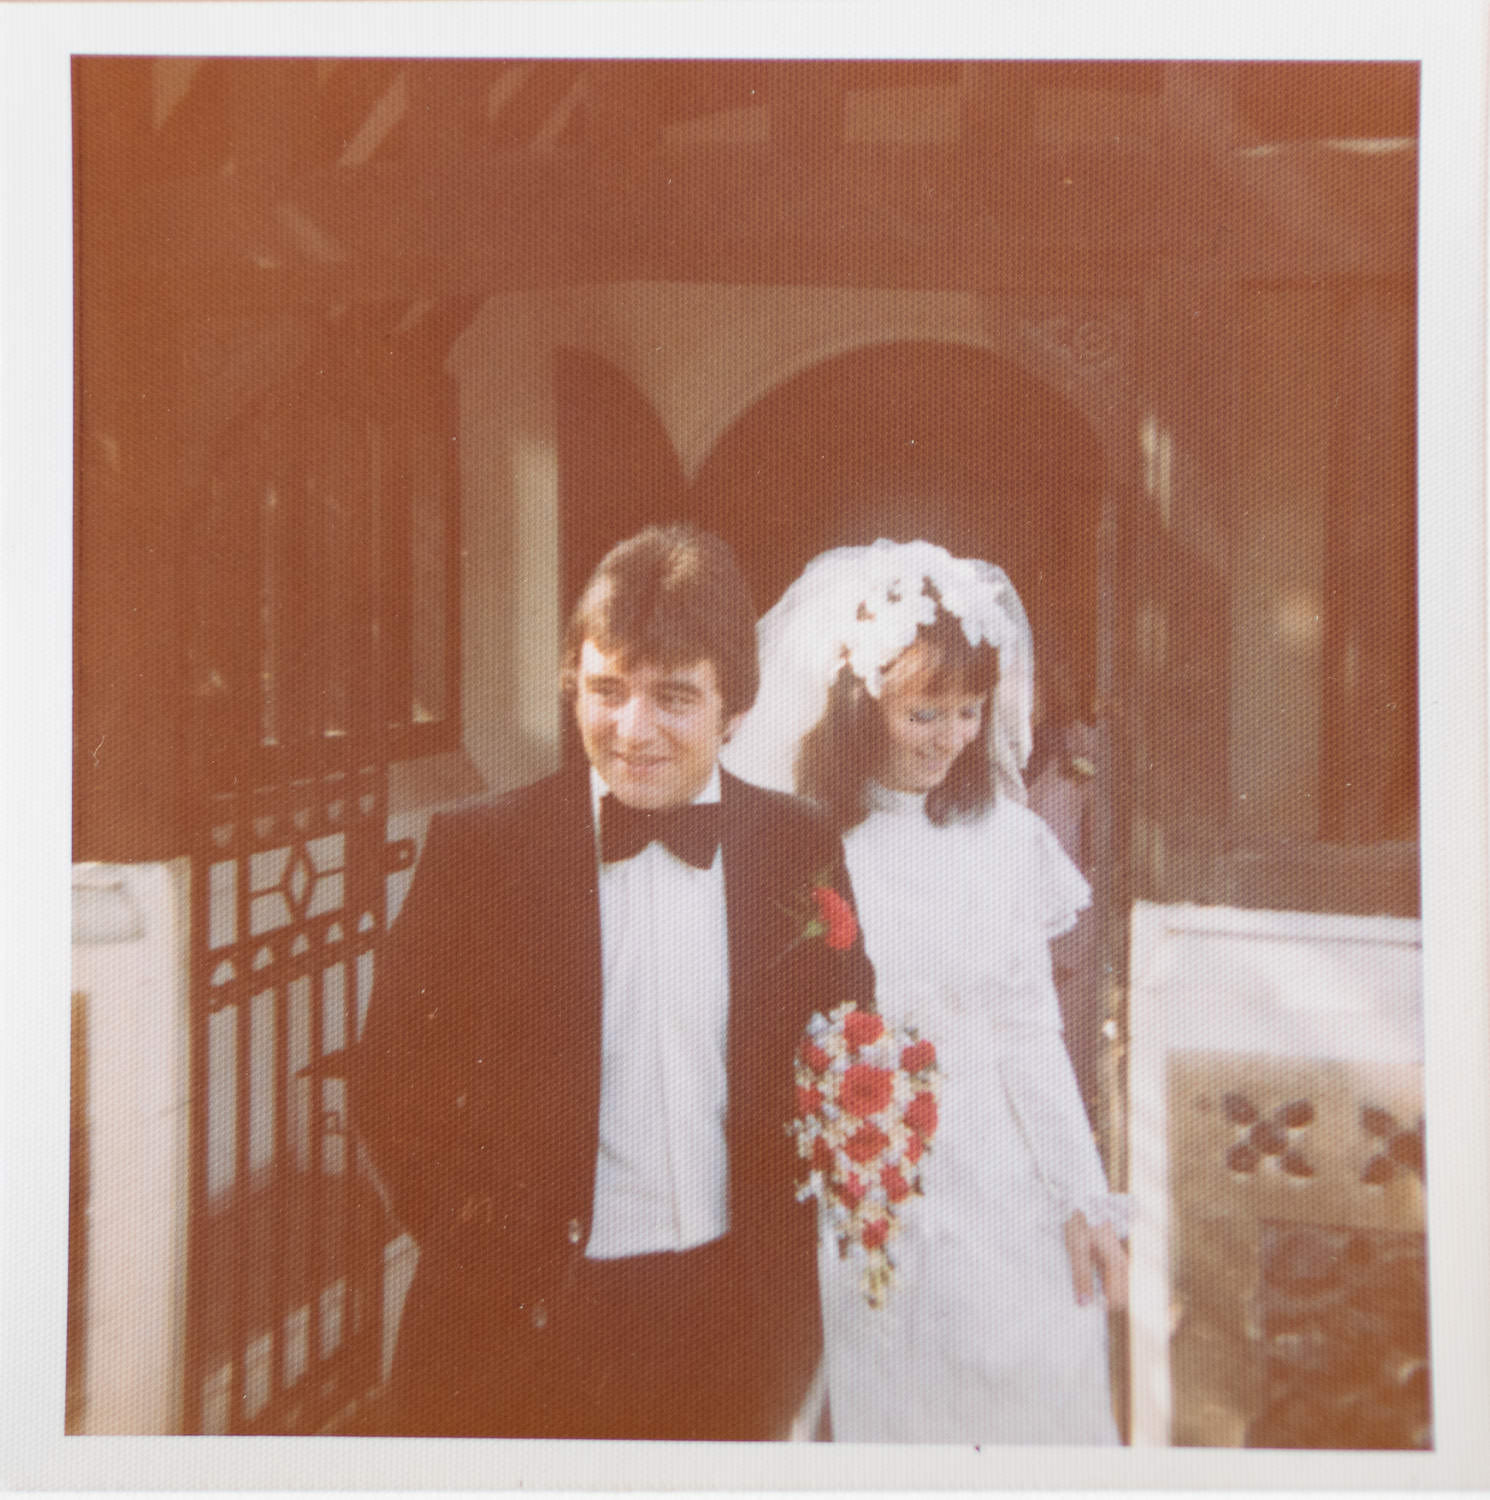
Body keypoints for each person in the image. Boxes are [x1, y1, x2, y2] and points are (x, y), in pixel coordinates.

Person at [349, 524, 874, 1439]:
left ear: (735, 705)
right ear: (573, 685)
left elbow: (844, 1043)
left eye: (673, 697)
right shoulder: (483, 852)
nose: (633, 732)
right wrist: (481, 1250)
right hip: (524, 1322)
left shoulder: (798, 844)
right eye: (606, 691)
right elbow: (391, 1081)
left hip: (729, 1318)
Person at [723, 539, 1127, 1445]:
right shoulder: (805, 844)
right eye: (924, 714)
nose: (951, 738)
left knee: (1022, 1391)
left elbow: (1029, 1030)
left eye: (970, 712)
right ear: (862, 709)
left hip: (1003, 1173)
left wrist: (1081, 1197)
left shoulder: (1007, 838)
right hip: (867, 1173)